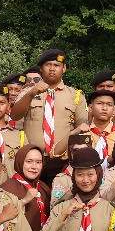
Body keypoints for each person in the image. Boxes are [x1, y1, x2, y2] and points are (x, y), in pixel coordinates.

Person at [11, 49, 88, 182]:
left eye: (56, 65)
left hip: (63, 160)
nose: (52, 69)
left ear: (64, 68)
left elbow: (83, 130)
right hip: (33, 160)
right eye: (48, 65)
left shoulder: (75, 96)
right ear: (41, 68)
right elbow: (15, 116)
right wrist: (31, 94)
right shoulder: (27, 92)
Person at [80, 87, 115, 161]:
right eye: (100, 103)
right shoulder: (82, 135)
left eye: (109, 105)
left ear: (114, 110)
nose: (104, 108)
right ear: (90, 108)